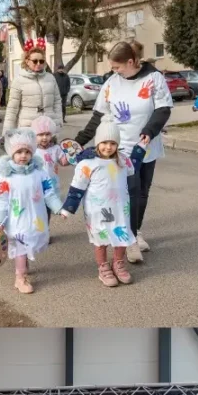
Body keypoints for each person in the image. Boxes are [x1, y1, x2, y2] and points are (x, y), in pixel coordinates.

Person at [74, 40, 172, 263]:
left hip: (147, 146)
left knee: (143, 192)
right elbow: (98, 117)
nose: (114, 71)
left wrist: (149, 130)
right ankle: (129, 241)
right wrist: (80, 141)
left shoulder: (154, 78)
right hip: (121, 150)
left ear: (131, 62)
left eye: (117, 67)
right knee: (130, 192)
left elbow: (163, 109)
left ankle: (135, 231)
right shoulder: (111, 83)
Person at [59, 123, 146, 287]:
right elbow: (77, 188)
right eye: (104, 142)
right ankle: (103, 267)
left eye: (113, 143)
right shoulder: (87, 164)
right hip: (97, 210)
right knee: (101, 239)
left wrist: (140, 147)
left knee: (121, 237)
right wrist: (68, 209)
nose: (108, 147)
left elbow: (134, 165)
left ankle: (118, 263)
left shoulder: (122, 160)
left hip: (121, 208)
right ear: (98, 142)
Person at [0, 128, 62, 294]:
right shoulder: (5, 177)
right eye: (19, 152)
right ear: (11, 154)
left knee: (30, 240)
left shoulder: (39, 173)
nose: (23, 155)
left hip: (35, 217)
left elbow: (49, 192)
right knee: (21, 245)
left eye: (26, 152)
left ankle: (22, 265)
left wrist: (59, 208)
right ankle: (20, 277)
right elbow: (1, 200)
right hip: (15, 219)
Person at [4, 39, 63, 133]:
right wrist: (7, 132)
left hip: (49, 128)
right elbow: (12, 109)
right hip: (28, 129)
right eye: (35, 61)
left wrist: (59, 122)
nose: (38, 64)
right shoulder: (19, 80)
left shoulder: (50, 78)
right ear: (27, 61)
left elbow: (57, 102)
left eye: (41, 61)